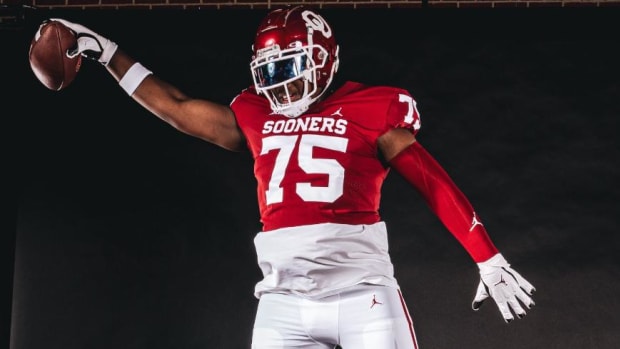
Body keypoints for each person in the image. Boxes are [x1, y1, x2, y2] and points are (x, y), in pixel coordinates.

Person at [47, 6, 535, 349]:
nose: (279, 82)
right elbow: (175, 108)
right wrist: (106, 52)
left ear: (323, 59)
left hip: (361, 295)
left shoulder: (371, 107)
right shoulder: (255, 112)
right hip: (282, 299)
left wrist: (487, 257)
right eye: (270, 70)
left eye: (290, 66)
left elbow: (431, 181)